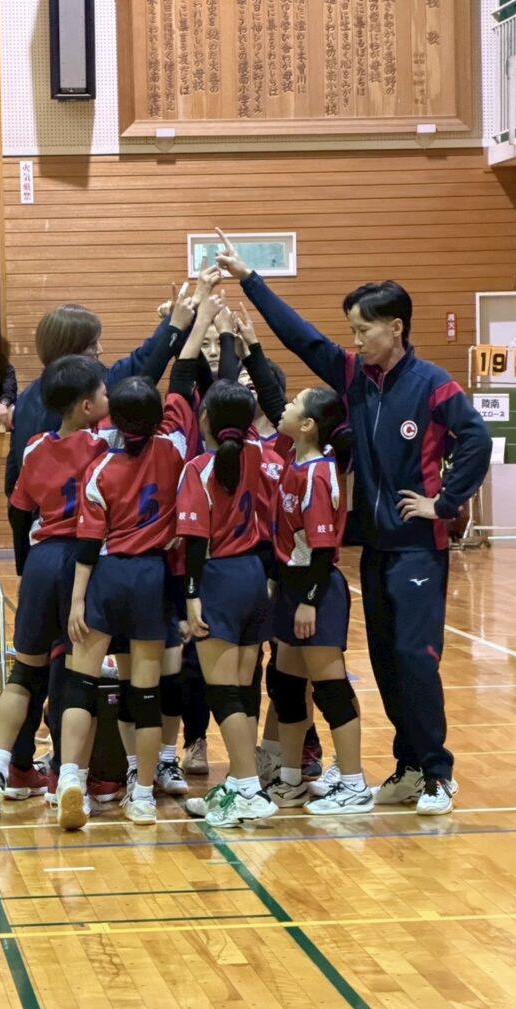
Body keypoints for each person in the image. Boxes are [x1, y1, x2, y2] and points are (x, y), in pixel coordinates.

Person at [216, 227, 492, 815]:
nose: (356, 340)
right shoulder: (354, 379)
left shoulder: (434, 385)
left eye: (364, 330)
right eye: (353, 331)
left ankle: (438, 774)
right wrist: (249, 280)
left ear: (396, 327)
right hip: (376, 550)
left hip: (419, 549)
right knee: (388, 662)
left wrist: (444, 504)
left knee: (415, 659)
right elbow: (302, 338)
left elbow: (477, 439)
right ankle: (409, 767)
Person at [3, 301, 184, 803]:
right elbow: (157, 377)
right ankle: (109, 780)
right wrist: (179, 327)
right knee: (115, 679)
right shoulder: (112, 449)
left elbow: (16, 498)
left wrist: (26, 563)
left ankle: (22, 767)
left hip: (46, 556)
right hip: (103, 560)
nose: (103, 355)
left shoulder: (33, 417)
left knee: (33, 669)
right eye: (95, 347)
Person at [59, 291, 199, 830]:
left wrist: (77, 602)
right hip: (152, 577)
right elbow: (182, 377)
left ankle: (70, 777)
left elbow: (87, 544)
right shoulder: (176, 450)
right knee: (145, 691)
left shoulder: (100, 468)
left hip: (108, 574)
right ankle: (141, 795)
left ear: (113, 418)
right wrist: (198, 317)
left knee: (81, 681)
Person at [232, 312, 371, 814]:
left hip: (316, 590)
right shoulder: (296, 455)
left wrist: (308, 599)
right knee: (286, 685)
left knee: (330, 688)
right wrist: (251, 346)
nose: (283, 408)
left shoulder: (317, 474)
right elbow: (273, 400)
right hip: (292, 588)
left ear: (308, 424)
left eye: (294, 406)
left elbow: (321, 544)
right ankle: (290, 778)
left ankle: (353, 783)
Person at [0, 355, 111, 817]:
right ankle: (67, 777)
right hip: (83, 561)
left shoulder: (33, 448)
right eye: (103, 393)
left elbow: (21, 506)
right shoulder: (103, 447)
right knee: (77, 677)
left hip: (41, 560)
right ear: (88, 406)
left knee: (25, 674)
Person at [178, 315, 277, 829]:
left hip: (216, 579)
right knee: (243, 687)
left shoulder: (199, 468)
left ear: (206, 420)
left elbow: (194, 541)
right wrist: (237, 343)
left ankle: (249, 790)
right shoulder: (260, 454)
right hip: (254, 578)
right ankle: (240, 784)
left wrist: (192, 596)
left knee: (224, 694)